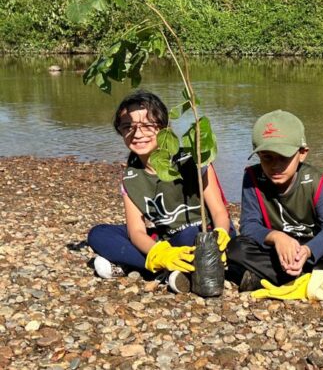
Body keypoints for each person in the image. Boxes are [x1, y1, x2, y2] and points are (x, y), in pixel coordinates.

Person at [87, 90, 233, 293]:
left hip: (202, 235)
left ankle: (141, 265)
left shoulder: (193, 160)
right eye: (127, 127)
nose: (137, 134)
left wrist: (221, 234)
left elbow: (219, 212)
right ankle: (167, 268)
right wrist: (162, 254)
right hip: (167, 239)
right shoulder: (131, 178)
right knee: (99, 234)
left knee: (189, 235)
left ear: (164, 128)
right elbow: (136, 231)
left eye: (147, 125)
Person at [227, 110, 323, 300]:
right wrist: (277, 237)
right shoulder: (252, 178)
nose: (275, 165)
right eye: (267, 157)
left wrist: (308, 250)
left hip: (307, 246)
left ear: (302, 153)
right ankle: (319, 281)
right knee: (236, 248)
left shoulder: (314, 180)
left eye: (284, 157)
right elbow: (249, 225)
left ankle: (267, 278)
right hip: (273, 248)